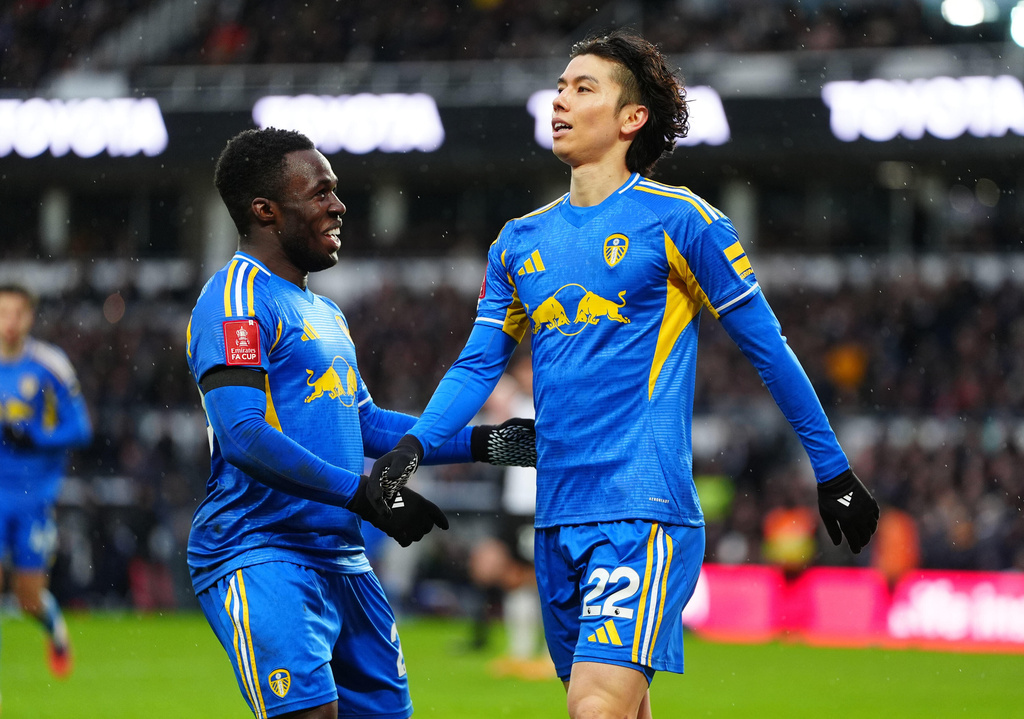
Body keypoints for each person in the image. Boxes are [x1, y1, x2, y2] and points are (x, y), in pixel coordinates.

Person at [368, 30, 880, 719]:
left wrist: (833, 468)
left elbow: (770, 349)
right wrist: (414, 447)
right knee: (618, 707)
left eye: (583, 89)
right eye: (558, 87)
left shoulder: (682, 220)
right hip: (556, 514)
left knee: (596, 707)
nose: (560, 100)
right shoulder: (518, 241)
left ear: (630, 119)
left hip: (642, 507)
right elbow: (477, 363)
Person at [185, 127, 535, 719]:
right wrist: (364, 495)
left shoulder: (324, 311)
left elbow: (365, 423)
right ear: (265, 210)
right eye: (319, 193)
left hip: (343, 557)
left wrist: (486, 442)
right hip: (260, 550)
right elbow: (243, 434)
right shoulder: (236, 300)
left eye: (335, 191)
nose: (338, 205)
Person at [0, 283, 92, 687]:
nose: (9, 322)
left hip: (33, 495)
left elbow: (81, 428)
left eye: (17, 313)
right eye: (2, 313)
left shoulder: (50, 364)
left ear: (30, 318)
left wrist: (35, 437)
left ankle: (55, 630)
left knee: (28, 598)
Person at [466, 352, 551, 679]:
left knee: (544, 579)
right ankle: (520, 652)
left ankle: (549, 654)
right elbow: (486, 387)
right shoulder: (516, 405)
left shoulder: (550, 405)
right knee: (514, 578)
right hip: (514, 507)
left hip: (539, 505)